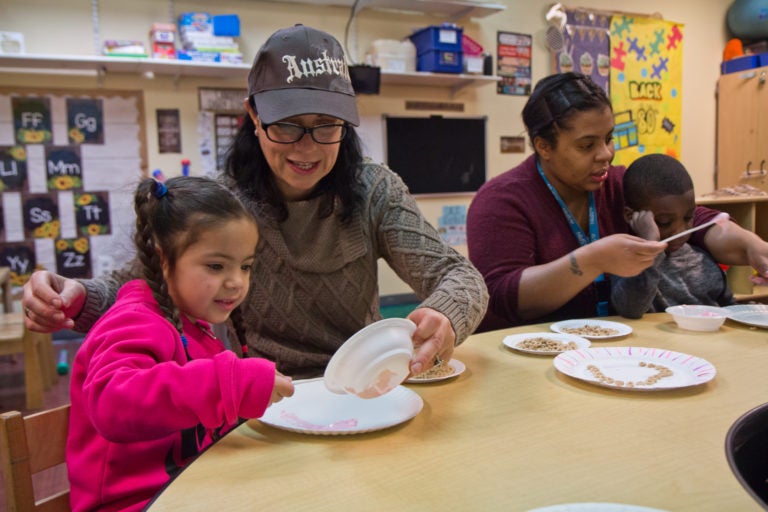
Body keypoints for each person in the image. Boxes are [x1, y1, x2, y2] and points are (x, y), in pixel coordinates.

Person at [22, 24, 488, 379]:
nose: (306, 148)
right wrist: (75, 295)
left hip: (366, 381)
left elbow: (460, 275)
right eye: (286, 125)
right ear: (253, 115)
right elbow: (132, 287)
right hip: (262, 394)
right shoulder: (221, 201)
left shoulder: (374, 190)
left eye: (326, 126)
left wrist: (445, 314)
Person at [466, 72, 768, 330]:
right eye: (587, 145)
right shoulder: (500, 201)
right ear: (544, 146)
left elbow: (693, 221)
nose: (606, 154)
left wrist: (750, 245)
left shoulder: (618, 182)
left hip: (613, 346)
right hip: (532, 354)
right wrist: (593, 259)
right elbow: (504, 297)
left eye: (609, 138)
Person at [66, 176, 295, 511]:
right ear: (163, 258)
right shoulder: (134, 319)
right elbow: (111, 402)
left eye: (245, 266)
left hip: (193, 487)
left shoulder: (193, 325)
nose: (236, 281)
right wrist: (227, 383)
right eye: (216, 265)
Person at [611, 154, 735, 318]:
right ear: (630, 216)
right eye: (664, 222)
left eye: (688, 218)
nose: (680, 231)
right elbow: (630, 309)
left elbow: (727, 307)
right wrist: (650, 247)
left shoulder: (702, 259)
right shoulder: (626, 264)